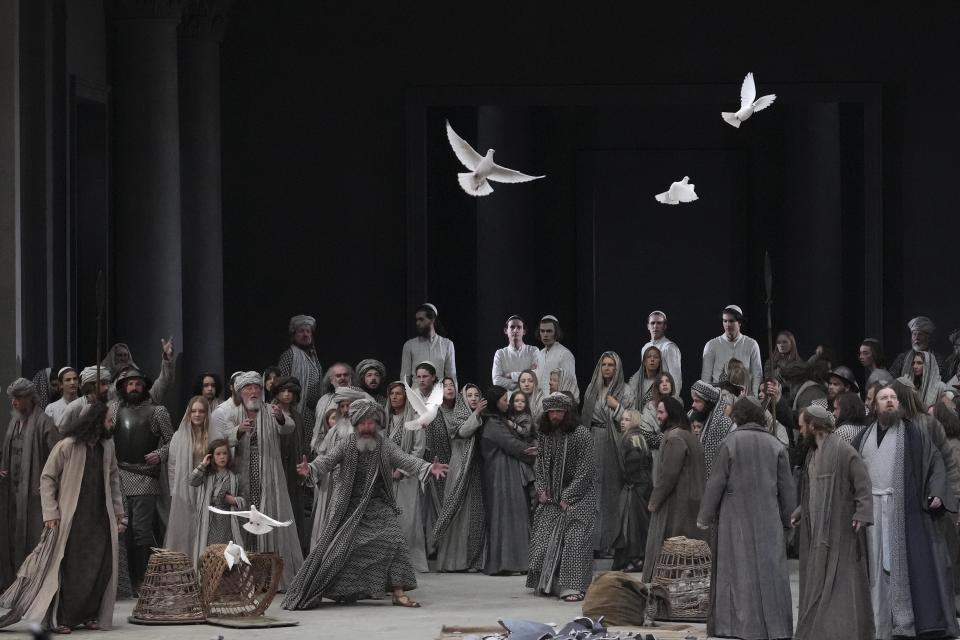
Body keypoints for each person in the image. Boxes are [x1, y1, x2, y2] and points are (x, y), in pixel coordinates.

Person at [283, 399, 449, 610]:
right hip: (347, 507)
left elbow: (405, 459)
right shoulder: (346, 443)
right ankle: (342, 590)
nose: (367, 428)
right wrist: (312, 469)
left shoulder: (384, 445)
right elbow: (327, 460)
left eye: (371, 423)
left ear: (378, 424)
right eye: (362, 423)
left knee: (395, 539)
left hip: (377, 503)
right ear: (355, 424)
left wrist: (426, 467)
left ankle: (398, 592)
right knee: (339, 550)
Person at [0, 401, 123, 632]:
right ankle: (60, 618)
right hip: (71, 519)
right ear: (95, 421)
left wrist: (118, 512)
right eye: (108, 419)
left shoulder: (107, 447)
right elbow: (47, 478)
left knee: (97, 566)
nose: (111, 424)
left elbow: (114, 479)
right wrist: (51, 512)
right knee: (68, 568)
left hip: (99, 519)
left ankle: (88, 614)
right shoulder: (67, 446)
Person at [852, 385, 960, 640]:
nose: (889, 402)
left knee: (898, 564)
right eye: (883, 398)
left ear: (899, 404)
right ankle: (878, 621)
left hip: (903, 509)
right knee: (875, 566)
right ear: (874, 406)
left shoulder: (913, 434)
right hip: (871, 511)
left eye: (893, 398)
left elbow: (935, 462)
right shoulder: (863, 436)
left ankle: (903, 620)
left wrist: (936, 492)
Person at [697, 397, 796, 640]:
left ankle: (736, 627)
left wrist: (704, 516)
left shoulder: (731, 442)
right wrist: (789, 520)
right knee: (769, 571)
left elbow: (716, 482)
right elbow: (788, 489)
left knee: (737, 571)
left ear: (739, 416)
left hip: (735, 518)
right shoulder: (775, 445)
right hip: (768, 517)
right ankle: (774, 628)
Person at [791, 404, 874, 640]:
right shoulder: (811, 454)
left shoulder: (843, 451)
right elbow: (812, 487)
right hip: (816, 531)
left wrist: (862, 513)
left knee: (841, 582)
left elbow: (862, 484)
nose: (800, 431)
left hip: (839, 530)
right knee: (816, 580)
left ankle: (839, 631)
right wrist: (801, 509)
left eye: (802, 426)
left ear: (813, 426)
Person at [223, 371, 303, 590]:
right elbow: (221, 438)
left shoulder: (270, 410)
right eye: (249, 388)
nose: (254, 391)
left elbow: (289, 427)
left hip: (269, 473)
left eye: (257, 387)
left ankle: (270, 576)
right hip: (242, 474)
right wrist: (237, 431)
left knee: (268, 518)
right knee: (245, 522)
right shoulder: (232, 412)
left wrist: (279, 417)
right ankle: (246, 576)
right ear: (240, 392)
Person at [526, 392, 597, 602]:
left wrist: (569, 496)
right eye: (551, 412)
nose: (555, 416)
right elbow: (539, 466)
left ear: (567, 412)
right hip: (553, 496)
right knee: (543, 528)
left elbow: (586, 470)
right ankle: (548, 582)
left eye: (559, 411)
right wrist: (541, 490)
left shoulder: (582, 435)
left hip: (579, 495)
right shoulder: (546, 436)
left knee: (575, 536)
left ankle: (572, 586)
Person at [110, 367, 173, 595]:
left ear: (144, 386)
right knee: (122, 532)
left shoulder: (157, 412)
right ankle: (126, 583)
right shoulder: (115, 409)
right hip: (119, 476)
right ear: (123, 387)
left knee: (141, 531)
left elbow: (172, 441)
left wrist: (160, 454)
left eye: (137, 383)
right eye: (129, 384)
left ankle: (146, 581)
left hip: (145, 477)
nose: (134, 387)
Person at [0, 379, 60, 589]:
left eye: (19, 398)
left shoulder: (44, 422)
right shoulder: (14, 422)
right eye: (13, 398)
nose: (15, 403)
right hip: (13, 494)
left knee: (34, 540)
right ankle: (15, 585)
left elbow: (57, 459)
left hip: (35, 496)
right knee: (13, 538)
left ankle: (33, 588)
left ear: (29, 398)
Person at [642, 397, 705, 582]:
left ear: (671, 414)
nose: (658, 417)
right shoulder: (687, 435)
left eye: (661, 412)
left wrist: (654, 501)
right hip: (690, 504)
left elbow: (668, 475)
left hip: (678, 507)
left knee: (672, 557)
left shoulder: (675, 438)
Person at [581, 351, 635, 554]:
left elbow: (631, 419)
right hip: (593, 438)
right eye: (604, 364)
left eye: (611, 365)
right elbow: (584, 418)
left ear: (617, 368)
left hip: (614, 442)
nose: (607, 368)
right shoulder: (591, 389)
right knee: (592, 491)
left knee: (611, 492)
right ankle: (593, 542)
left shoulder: (625, 390)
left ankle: (610, 543)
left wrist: (618, 407)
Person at [480, 386, 537, 575]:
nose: (507, 403)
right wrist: (532, 451)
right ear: (495, 401)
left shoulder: (500, 421)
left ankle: (515, 562)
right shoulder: (493, 423)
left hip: (507, 473)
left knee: (513, 516)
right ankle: (506, 563)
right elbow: (512, 445)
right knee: (505, 517)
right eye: (504, 399)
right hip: (500, 476)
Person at [432, 380, 486, 572]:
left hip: (474, 470)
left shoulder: (481, 416)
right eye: (469, 395)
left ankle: (470, 560)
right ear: (463, 398)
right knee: (457, 512)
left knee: (473, 513)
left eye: (476, 395)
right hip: (458, 469)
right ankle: (452, 562)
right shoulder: (458, 415)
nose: (473, 399)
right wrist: (477, 414)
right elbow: (462, 432)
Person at [164, 396, 218, 557]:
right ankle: (184, 564)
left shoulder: (215, 436)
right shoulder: (178, 437)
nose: (197, 414)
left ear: (207, 414)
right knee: (184, 527)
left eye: (201, 411)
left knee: (205, 525)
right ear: (188, 413)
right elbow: (172, 466)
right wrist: (175, 491)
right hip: (184, 489)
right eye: (193, 411)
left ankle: (203, 565)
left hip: (206, 488)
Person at [383, 381, 428, 572]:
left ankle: (410, 563)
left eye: (399, 394)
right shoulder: (384, 420)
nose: (394, 397)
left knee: (407, 519)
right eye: (392, 393)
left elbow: (418, 450)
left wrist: (401, 470)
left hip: (407, 477)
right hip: (385, 476)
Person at [189, 438, 245, 564]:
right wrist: (203, 464)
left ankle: (227, 578)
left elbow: (244, 498)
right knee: (211, 552)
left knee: (226, 553)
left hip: (227, 522)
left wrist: (234, 500)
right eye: (218, 454)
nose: (222, 457)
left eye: (224, 453)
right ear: (212, 456)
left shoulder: (235, 477)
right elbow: (192, 481)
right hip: (209, 520)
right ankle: (210, 579)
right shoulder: (207, 475)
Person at [611, 408, 652, 572]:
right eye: (622, 419)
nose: (622, 422)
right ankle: (634, 559)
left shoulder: (632, 438)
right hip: (639, 486)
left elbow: (636, 461)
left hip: (635, 487)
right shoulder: (637, 437)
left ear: (634, 421)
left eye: (627, 419)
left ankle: (635, 559)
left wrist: (630, 482)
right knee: (633, 524)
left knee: (632, 524)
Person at [271, 375, 307, 553]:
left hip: (293, 466)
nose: (286, 395)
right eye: (282, 391)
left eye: (290, 392)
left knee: (294, 506)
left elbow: (301, 442)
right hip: (276, 465)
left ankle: (295, 548)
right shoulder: (269, 412)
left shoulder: (297, 416)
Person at [701, 304, 763, 396]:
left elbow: (757, 375)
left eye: (731, 321)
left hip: (744, 397)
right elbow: (705, 378)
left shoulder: (751, 344)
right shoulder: (711, 345)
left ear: (740, 322)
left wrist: (753, 397)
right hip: (719, 396)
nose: (727, 324)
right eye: (725, 321)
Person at [278, 314, 323, 435]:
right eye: (301, 331)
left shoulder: (314, 357)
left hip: (315, 412)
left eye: (308, 331)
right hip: (298, 410)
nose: (305, 334)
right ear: (294, 335)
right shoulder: (289, 355)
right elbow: (281, 384)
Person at [102, 338, 177, 406]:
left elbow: (163, 382)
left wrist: (167, 359)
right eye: (130, 384)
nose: (134, 387)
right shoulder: (115, 406)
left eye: (125, 355)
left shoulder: (147, 399)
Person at [400, 303, 457, 385]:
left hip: (438, 395)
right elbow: (405, 377)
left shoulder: (447, 344)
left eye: (421, 319)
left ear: (432, 319)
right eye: (416, 320)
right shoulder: (409, 345)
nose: (417, 323)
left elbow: (451, 376)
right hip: (415, 395)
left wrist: (453, 397)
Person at [689, 380, 732, 479]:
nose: (693, 405)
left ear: (709, 403)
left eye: (697, 401)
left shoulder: (724, 424)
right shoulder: (692, 417)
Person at [310, 362, 356, 454]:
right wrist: (316, 447)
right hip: (326, 451)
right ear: (331, 380)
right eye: (338, 376)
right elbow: (318, 428)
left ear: (350, 377)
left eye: (345, 375)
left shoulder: (359, 398)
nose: (342, 378)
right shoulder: (324, 400)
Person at [889, 316, 948, 380]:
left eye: (920, 334)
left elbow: (942, 381)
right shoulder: (903, 358)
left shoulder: (937, 359)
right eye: (914, 334)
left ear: (928, 338)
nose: (916, 338)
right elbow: (892, 377)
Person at [535, 315, 578, 400]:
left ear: (556, 332)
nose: (545, 334)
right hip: (539, 403)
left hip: (556, 403)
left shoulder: (564, 354)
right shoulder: (539, 354)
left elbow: (570, 384)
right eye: (542, 331)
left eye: (549, 331)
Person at [640, 310, 682, 395]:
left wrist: (673, 401)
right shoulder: (645, 348)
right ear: (648, 326)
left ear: (665, 326)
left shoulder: (669, 347)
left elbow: (676, 378)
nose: (655, 326)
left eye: (659, 323)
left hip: (664, 397)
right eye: (652, 323)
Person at [492, 315, 538, 390]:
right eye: (512, 327)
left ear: (524, 331)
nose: (515, 330)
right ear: (506, 330)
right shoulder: (500, 354)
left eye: (519, 327)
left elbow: (536, 375)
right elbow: (496, 380)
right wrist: (526, 378)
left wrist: (510, 375)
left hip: (530, 398)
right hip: (508, 398)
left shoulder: (533, 351)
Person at [627, 345, 663, 412]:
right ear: (644, 361)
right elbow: (629, 403)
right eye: (649, 357)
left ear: (660, 362)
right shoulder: (634, 381)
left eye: (656, 357)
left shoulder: (663, 382)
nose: (652, 359)